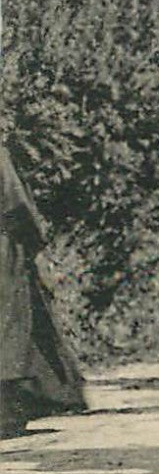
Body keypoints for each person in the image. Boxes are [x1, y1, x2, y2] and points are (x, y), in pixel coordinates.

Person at [1, 146, 86, 438]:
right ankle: (9, 414)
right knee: (14, 332)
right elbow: (17, 206)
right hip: (4, 256)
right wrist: (36, 249)